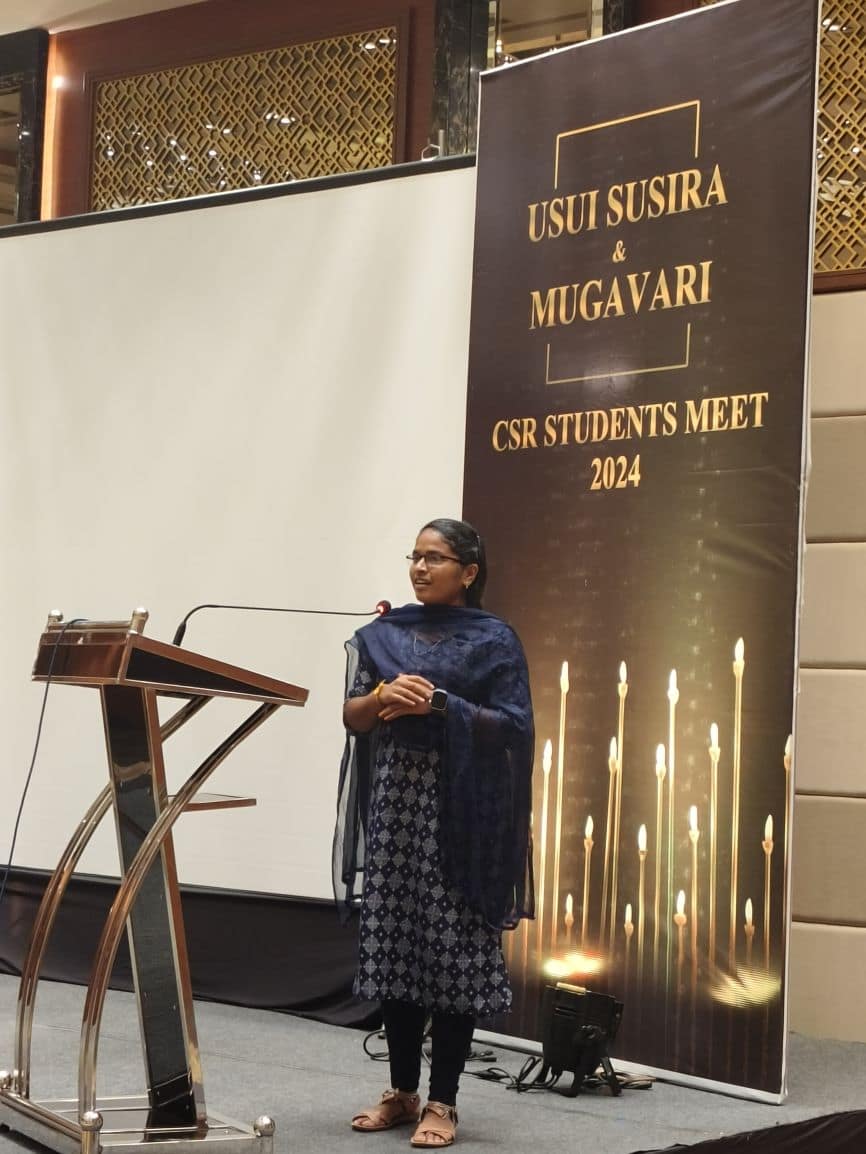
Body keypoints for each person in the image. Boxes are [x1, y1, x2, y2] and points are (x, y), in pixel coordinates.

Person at [333, 518, 534, 1148]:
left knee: (451, 953)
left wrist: (439, 704)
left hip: (464, 810)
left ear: (468, 572)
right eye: (415, 556)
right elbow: (353, 716)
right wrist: (382, 696)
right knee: (397, 946)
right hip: (397, 807)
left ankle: (442, 1101)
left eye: (435, 558)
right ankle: (401, 1093)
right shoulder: (385, 635)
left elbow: (515, 725)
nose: (420, 568)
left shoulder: (494, 639)